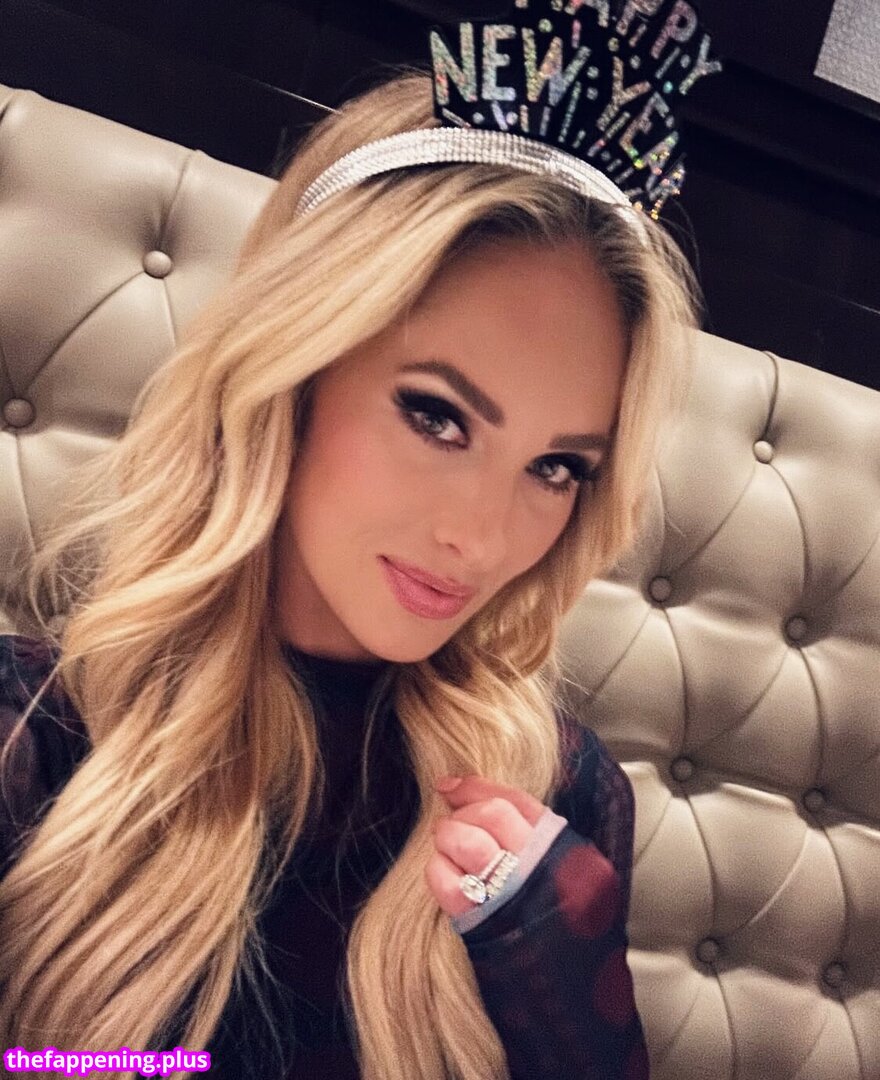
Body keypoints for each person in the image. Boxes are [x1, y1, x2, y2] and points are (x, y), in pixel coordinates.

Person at [0, 2, 718, 1077]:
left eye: (557, 467)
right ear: (291, 371)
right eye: (438, 416)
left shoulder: (556, 803)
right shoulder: (38, 738)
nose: (480, 537)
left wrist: (575, 1017)